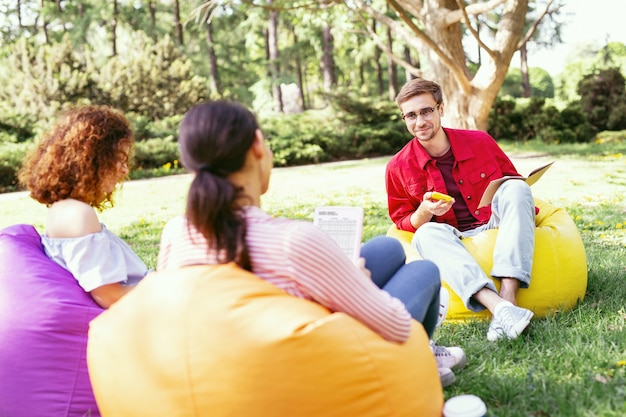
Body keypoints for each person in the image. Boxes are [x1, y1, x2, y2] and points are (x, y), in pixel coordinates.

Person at [156, 100, 464, 386]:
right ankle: (418, 362)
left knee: (388, 249)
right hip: (320, 369)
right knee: (423, 271)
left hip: (227, 364)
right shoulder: (293, 240)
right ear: (257, 146)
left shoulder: (176, 232)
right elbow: (396, 325)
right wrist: (358, 283)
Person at [386, 78, 536, 342]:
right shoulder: (398, 166)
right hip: (449, 235)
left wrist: (518, 207)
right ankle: (499, 308)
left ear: (441, 109)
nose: (419, 122)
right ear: (404, 118)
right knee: (425, 234)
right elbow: (402, 220)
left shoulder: (480, 142)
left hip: (492, 222)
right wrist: (424, 211)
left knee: (517, 188)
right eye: (411, 115)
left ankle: (508, 296)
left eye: (426, 111)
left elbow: (511, 181)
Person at [18, 105, 149, 309]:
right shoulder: (77, 214)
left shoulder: (66, 210)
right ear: (91, 159)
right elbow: (110, 296)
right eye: (118, 160)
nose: (125, 169)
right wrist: (164, 285)